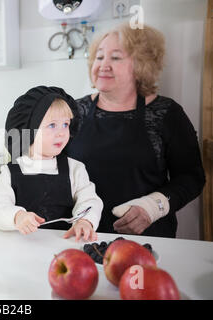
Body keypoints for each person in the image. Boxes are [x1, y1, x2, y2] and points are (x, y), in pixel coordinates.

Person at [65, 23, 206, 238]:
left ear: (141, 65)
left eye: (116, 57)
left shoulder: (167, 113)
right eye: (100, 57)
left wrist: (151, 207)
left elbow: (191, 178)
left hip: (148, 241)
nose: (103, 64)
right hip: (81, 237)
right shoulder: (73, 111)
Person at [0, 86, 103, 241]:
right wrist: (17, 216)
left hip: (64, 245)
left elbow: (89, 200)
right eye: (52, 125)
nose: (62, 132)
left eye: (66, 124)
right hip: (20, 248)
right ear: (29, 129)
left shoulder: (75, 169)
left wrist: (85, 220)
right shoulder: (10, 172)